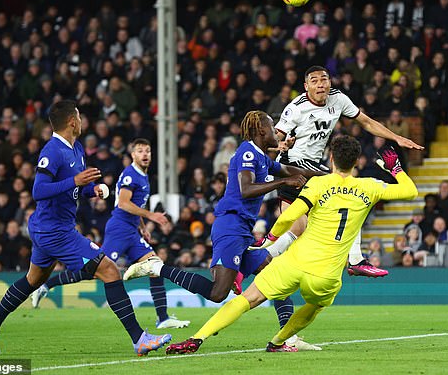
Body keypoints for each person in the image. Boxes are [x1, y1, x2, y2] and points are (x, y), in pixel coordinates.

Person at [164, 137, 418, 354]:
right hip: (326, 274)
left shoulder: (319, 184)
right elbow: (410, 191)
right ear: (356, 162)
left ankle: (198, 337)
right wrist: (395, 168)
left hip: (295, 262)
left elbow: (287, 216)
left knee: (249, 298)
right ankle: (278, 341)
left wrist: (271, 238)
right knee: (314, 306)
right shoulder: (370, 187)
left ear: (331, 158)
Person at [0, 100, 171, 356]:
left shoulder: (77, 149)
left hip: (51, 228)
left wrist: (93, 190)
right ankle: (139, 339)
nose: (82, 120)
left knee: (34, 279)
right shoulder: (52, 151)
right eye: (79, 116)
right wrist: (75, 180)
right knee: (109, 270)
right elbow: (38, 191)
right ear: (72, 121)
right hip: (54, 230)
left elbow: (75, 187)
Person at [123, 111, 322, 349]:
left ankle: (287, 338)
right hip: (231, 226)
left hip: (242, 229)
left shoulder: (261, 156)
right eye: (272, 128)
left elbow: (289, 171)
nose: (275, 132)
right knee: (218, 293)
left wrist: (327, 177)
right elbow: (247, 189)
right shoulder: (247, 152)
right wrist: (282, 183)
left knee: (274, 275)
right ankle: (156, 267)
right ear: (261, 130)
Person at [260, 65, 422, 278]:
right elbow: (272, 138)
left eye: (324, 79)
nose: (320, 84)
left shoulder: (338, 99)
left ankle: (258, 260)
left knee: (297, 228)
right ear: (306, 86)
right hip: (292, 165)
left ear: (330, 82)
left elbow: (365, 121)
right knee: (348, 192)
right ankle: (355, 259)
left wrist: (397, 137)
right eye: (315, 81)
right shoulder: (296, 107)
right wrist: (278, 145)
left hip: (314, 166)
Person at [30, 138, 190, 329]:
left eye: (147, 151)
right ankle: (46, 285)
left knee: (155, 266)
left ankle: (163, 318)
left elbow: (134, 205)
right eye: (140, 151)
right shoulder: (131, 175)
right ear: (132, 155)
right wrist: (150, 216)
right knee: (95, 270)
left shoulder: (143, 175)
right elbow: (123, 203)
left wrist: (142, 227)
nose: (145, 154)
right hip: (119, 230)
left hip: (131, 231)